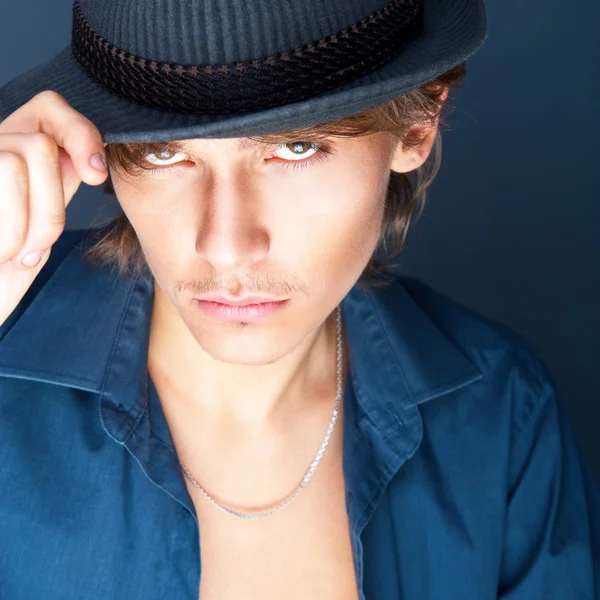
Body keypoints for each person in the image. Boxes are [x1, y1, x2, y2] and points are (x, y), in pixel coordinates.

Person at [0, 0, 598, 598]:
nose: (228, 247)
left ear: (416, 126)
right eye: (163, 153)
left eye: (295, 148)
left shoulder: (502, 414)